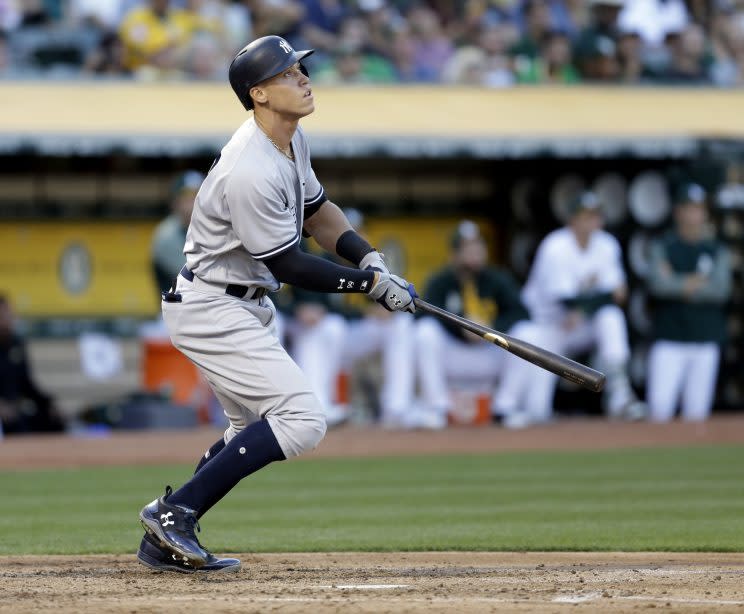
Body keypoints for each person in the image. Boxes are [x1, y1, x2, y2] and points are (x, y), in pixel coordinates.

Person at [136, 35, 417, 573]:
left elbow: (319, 213)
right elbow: (290, 263)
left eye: (301, 70)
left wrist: (370, 258)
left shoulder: (292, 140)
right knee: (302, 418)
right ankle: (174, 514)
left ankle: (164, 532)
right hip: (212, 304)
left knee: (249, 429)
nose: (304, 79)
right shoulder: (249, 166)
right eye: (289, 74)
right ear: (259, 93)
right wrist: (367, 289)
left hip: (241, 303)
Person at [415, 221, 555, 429]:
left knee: (529, 332)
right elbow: (421, 315)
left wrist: (489, 327)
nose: (474, 252)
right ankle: (438, 408)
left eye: (478, 246)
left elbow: (521, 312)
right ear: (454, 254)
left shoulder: (497, 279)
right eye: (467, 248)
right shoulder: (441, 281)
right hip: (455, 353)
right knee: (424, 332)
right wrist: (462, 327)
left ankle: (505, 408)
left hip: (490, 351)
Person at [521, 192, 647, 420]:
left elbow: (618, 295)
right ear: (572, 219)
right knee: (536, 411)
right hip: (547, 327)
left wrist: (586, 308)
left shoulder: (606, 244)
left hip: (582, 324)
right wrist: (592, 302)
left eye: (595, 215)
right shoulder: (555, 245)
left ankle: (620, 394)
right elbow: (566, 300)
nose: (591, 221)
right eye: (585, 215)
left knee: (611, 317)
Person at [645, 183, 731, 422]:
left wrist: (677, 281)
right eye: (688, 208)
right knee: (659, 409)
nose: (694, 215)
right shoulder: (664, 245)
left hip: (705, 337)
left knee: (697, 414)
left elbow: (721, 290)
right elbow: (658, 285)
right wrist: (696, 281)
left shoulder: (716, 249)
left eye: (698, 209)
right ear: (678, 212)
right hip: (669, 337)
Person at [0, 294, 65, 436]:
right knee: (18, 426)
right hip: (4, 416)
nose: (8, 318)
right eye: (3, 314)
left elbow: (27, 384)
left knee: (55, 421)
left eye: (9, 313)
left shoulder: (16, 344)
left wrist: (48, 403)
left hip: (16, 411)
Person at [151, 170, 204, 295]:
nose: (193, 201)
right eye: (187, 196)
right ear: (175, 202)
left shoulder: (216, 228)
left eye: (197, 194)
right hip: (174, 307)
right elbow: (196, 278)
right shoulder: (166, 235)